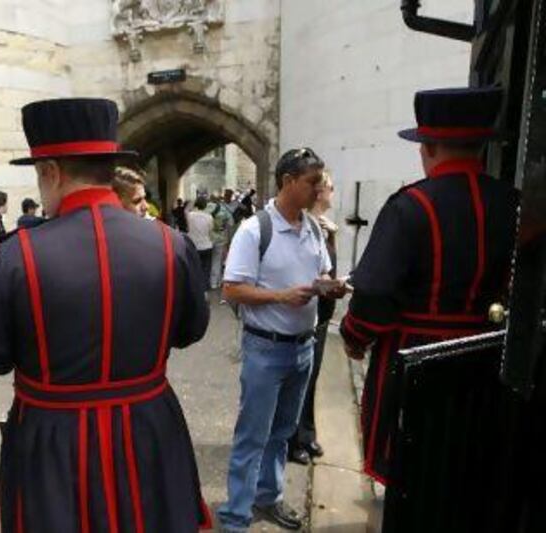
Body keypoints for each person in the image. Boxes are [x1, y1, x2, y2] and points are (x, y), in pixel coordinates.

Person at [0, 98, 212, 532]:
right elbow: (191, 330)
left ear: (51, 171)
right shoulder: (171, 246)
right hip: (148, 426)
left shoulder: (16, 258)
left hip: (54, 441)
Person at [340, 86, 519, 486]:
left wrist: (354, 336)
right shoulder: (513, 203)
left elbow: (374, 294)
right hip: (487, 356)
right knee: (468, 466)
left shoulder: (410, 206)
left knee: (414, 468)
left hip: (415, 359)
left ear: (431, 147)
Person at [217, 148, 346, 532]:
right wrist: (281, 296)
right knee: (252, 435)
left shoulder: (312, 227)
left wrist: (330, 287)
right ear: (288, 181)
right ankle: (235, 517)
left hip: (302, 348)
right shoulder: (255, 229)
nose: (319, 189)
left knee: (282, 432)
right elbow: (232, 289)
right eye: (312, 182)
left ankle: (268, 498)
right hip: (265, 349)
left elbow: (319, 272)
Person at [288, 169, 338, 464]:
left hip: (321, 311)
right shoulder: (309, 227)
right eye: (329, 187)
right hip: (308, 312)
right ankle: (294, 440)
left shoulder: (325, 227)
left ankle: (306, 433)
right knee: (301, 383)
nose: (332, 192)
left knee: (312, 379)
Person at [207, 193, 234, 290]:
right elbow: (231, 223)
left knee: (206, 261)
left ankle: (205, 281)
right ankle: (214, 283)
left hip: (206, 238)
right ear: (218, 200)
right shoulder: (223, 210)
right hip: (220, 238)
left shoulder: (204, 209)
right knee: (217, 260)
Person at [187, 196, 214, 290]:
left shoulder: (190, 215)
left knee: (194, 267)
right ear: (205, 205)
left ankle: (195, 286)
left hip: (194, 245)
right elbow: (210, 230)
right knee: (206, 268)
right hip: (207, 245)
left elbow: (187, 209)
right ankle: (205, 287)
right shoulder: (209, 217)